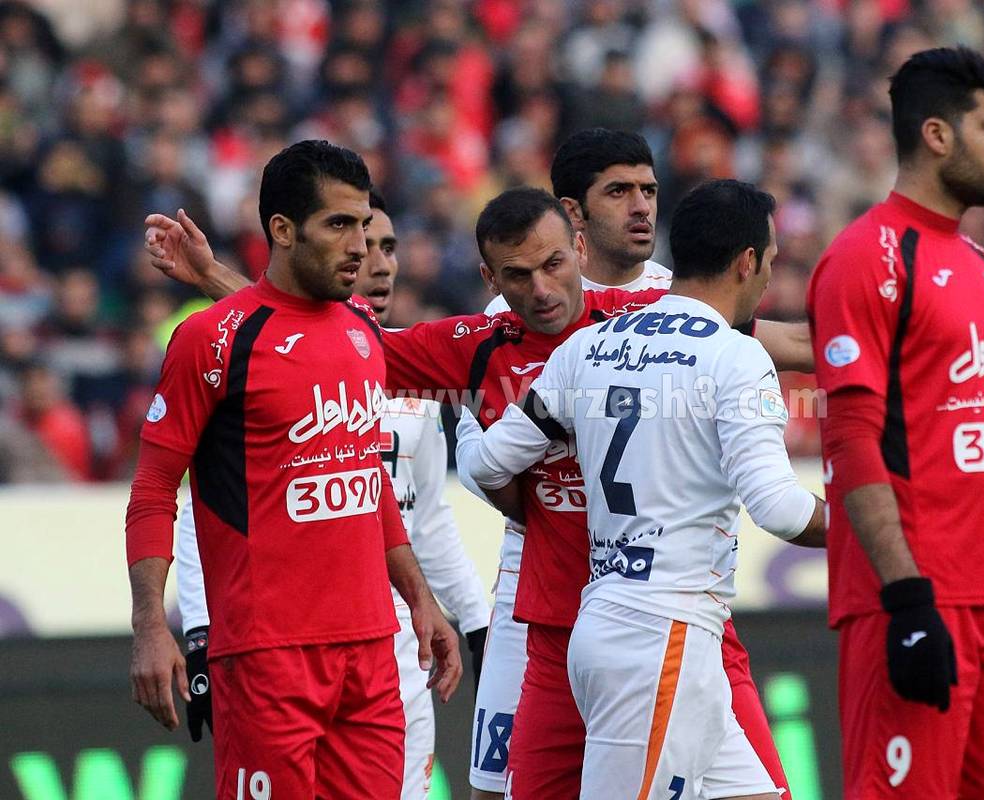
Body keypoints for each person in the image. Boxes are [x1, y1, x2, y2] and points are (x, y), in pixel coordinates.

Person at [145, 185, 813, 799]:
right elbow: (325, 344)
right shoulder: (480, 348)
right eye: (517, 276)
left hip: (658, 618)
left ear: (580, 251)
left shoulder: (626, 326)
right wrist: (215, 278)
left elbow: (769, 334)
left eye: (554, 265)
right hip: (553, 624)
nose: (542, 290)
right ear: (491, 282)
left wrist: (858, 352)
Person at [459, 179, 824, 799]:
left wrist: (495, 458)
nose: (768, 277)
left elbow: (487, 466)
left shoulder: (588, 347)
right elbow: (781, 509)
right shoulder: (735, 357)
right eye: (769, 261)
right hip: (665, 636)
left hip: (611, 623)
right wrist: (874, 525)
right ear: (747, 262)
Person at [125, 140, 462, 799]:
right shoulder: (210, 340)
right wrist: (149, 624)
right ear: (282, 230)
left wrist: (419, 596)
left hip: (371, 652)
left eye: (364, 225)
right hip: (266, 658)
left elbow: (367, 480)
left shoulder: (360, 331)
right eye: (339, 225)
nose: (360, 247)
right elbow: (154, 488)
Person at [806, 47, 984, 798]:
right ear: (936, 134)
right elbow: (850, 442)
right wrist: (907, 599)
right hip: (917, 602)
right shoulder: (867, 256)